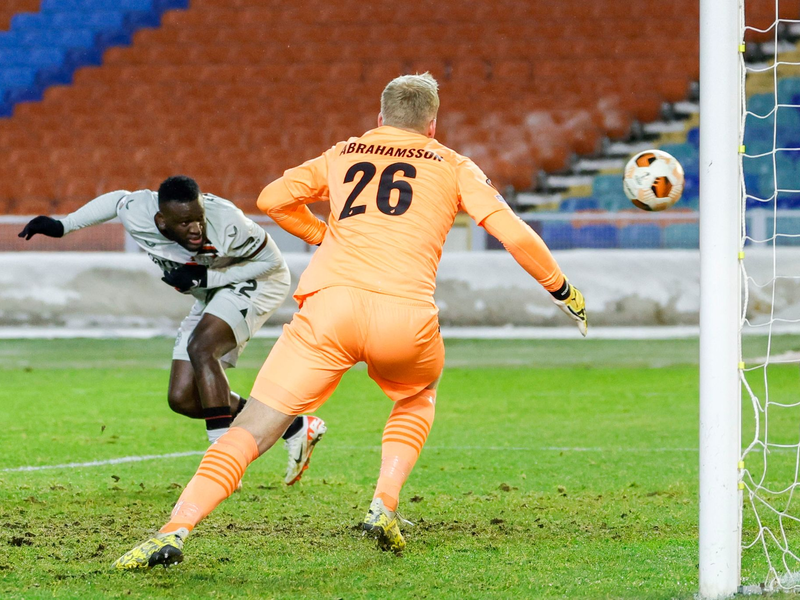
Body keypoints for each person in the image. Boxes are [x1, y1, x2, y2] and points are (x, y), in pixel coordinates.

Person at [112, 73, 587, 569]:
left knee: (250, 430)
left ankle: (174, 530)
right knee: (416, 396)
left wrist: (321, 234)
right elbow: (512, 232)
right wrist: (563, 290)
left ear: (380, 119)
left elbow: (271, 199)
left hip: (328, 310)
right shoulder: (453, 163)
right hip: (404, 316)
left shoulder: (345, 152)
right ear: (432, 125)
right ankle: (384, 503)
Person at [18, 176, 327, 486]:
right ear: (161, 221)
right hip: (211, 290)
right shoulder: (138, 210)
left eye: (198, 218)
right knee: (182, 398)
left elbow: (271, 262)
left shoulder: (228, 221)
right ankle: (294, 427)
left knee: (202, 348)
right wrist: (63, 226)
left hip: (257, 283)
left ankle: (221, 460)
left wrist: (205, 277)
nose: (195, 228)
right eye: (184, 223)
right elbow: (116, 201)